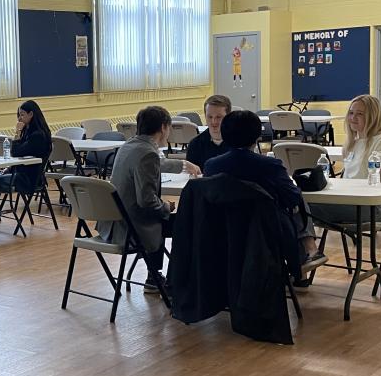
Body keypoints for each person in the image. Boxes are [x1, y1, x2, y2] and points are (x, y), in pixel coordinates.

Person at [203, 111, 320, 276]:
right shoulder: (270, 165)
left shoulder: (211, 165)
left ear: (224, 133)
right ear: (258, 136)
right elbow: (292, 197)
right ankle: (304, 257)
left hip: (222, 230)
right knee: (296, 200)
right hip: (265, 230)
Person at [97, 106, 197, 291]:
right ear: (164, 127)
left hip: (112, 224)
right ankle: (174, 280)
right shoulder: (148, 152)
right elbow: (147, 202)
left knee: (165, 218)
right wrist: (166, 206)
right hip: (131, 228)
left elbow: (157, 162)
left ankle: (154, 276)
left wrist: (183, 164)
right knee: (184, 223)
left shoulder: (129, 145)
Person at [310, 94, 381, 224]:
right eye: (351, 113)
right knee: (300, 205)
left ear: (372, 117)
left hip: (372, 206)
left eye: (360, 114)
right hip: (350, 199)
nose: (353, 118)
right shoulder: (353, 142)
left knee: (304, 208)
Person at [0, 100, 52, 198]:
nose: (19, 118)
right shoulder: (28, 132)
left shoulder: (38, 136)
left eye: (22, 115)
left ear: (31, 114)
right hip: (18, 173)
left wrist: (17, 132)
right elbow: (20, 156)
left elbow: (15, 153)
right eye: (18, 115)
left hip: (28, 179)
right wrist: (9, 168)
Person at [185, 94, 232, 171]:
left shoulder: (239, 143)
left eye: (218, 117)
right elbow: (192, 175)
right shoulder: (195, 144)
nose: (213, 122)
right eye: (210, 117)